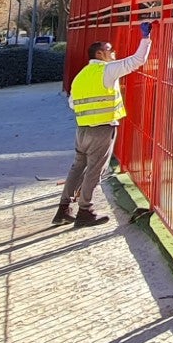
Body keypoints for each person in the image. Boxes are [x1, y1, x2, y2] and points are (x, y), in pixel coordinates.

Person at [55, 22, 152, 227]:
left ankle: (64, 208)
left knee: (77, 167)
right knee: (95, 170)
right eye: (111, 50)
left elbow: (72, 103)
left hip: (82, 130)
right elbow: (136, 61)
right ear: (100, 54)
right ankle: (85, 211)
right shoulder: (107, 70)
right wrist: (145, 38)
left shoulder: (81, 76)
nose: (114, 53)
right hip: (102, 129)